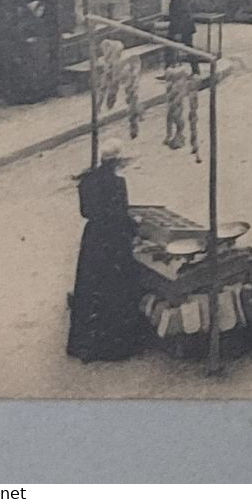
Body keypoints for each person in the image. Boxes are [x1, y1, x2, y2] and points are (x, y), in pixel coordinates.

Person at [66, 141, 147, 361]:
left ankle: (84, 343)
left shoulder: (87, 181)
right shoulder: (117, 183)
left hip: (93, 237)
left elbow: (86, 212)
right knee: (116, 288)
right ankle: (113, 346)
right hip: (113, 239)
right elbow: (120, 214)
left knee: (90, 286)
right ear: (117, 162)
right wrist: (135, 225)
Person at [164, 0, 199, 75]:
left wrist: (178, 32)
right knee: (169, 47)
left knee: (188, 49)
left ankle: (196, 71)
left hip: (184, 28)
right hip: (179, 27)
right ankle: (168, 70)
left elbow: (182, 17)